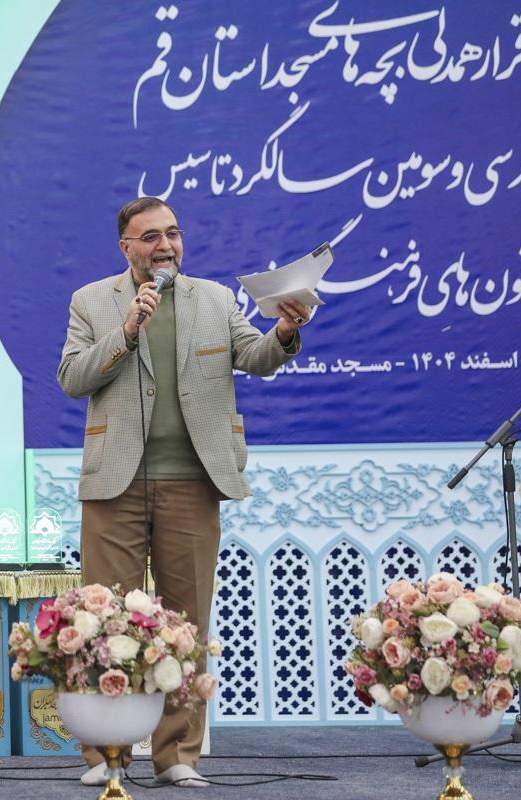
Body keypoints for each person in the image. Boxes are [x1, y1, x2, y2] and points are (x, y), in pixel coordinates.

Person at [57, 197, 311, 788]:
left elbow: (256, 358)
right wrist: (127, 331)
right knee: (106, 620)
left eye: (172, 233)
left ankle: (177, 756)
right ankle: (106, 754)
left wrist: (284, 331)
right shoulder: (92, 301)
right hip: (115, 481)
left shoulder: (215, 299)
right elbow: (72, 378)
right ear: (126, 247)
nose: (165, 245)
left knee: (185, 623)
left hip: (193, 480)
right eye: (150, 237)